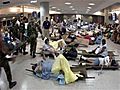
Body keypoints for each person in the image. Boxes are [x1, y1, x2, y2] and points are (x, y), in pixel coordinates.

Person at [0, 23, 17, 89]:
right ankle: (10, 83)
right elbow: (3, 50)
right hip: (1, 59)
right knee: (7, 69)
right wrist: (10, 57)